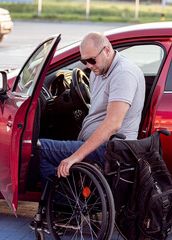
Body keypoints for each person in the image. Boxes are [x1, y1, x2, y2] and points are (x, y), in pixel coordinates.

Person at [39, 31, 146, 183]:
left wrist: (76, 156)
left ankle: (62, 200)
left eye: (91, 60)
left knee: (39, 148)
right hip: (101, 146)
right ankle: (68, 195)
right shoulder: (99, 70)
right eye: (84, 62)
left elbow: (113, 124)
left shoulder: (123, 74)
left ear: (107, 50)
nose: (89, 66)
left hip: (111, 150)